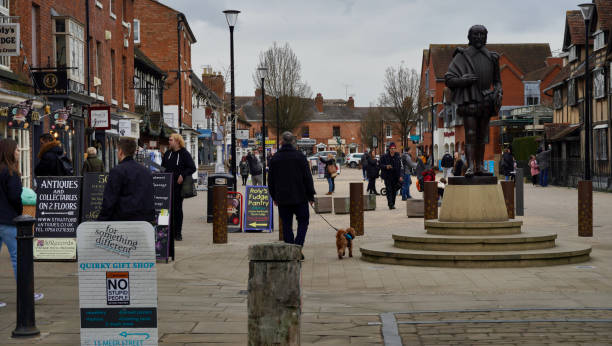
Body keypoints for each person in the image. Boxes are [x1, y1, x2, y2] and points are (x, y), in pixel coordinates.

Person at [445, 25, 502, 176]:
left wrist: (498, 91)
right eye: (475, 34)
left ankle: (480, 166)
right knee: (470, 134)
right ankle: (470, 166)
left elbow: (497, 81)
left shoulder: (492, 57)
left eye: (481, 34)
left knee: (482, 135)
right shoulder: (462, 56)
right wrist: (463, 80)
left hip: (486, 100)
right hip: (469, 99)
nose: (478, 37)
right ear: (469, 37)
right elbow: (449, 79)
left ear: (486, 37)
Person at [0, 139, 43, 307]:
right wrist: (19, 211)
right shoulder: (11, 173)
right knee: (19, 259)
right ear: (9, 152)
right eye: (17, 150)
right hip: (9, 221)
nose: (19, 152)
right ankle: (27, 294)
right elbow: (14, 197)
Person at [268, 131, 316, 254]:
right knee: (303, 222)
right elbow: (307, 177)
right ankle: (298, 247)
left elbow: (271, 180)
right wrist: (310, 195)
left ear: (281, 142)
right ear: (293, 142)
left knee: (286, 225)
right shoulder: (300, 156)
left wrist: (274, 196)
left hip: (283, 198)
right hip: (300, 196)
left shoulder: (275, 158)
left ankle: (290, 250)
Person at [98, 138, 155, 222]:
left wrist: (101, 220)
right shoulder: (146, 171)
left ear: (120, 152)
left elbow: (109, 200)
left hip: (124, 221)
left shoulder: (117, 171)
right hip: (144, 221)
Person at [161, 133, 196, 241]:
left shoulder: (184, 154)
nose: (169, 142)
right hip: (166, 185)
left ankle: (177, 233)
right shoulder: (167, 153)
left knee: (177, 209)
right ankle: (165, 231)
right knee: (164, 209)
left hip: (178, 187)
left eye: (171, 140)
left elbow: (192, 167)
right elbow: (163, 168)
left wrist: (183, 174)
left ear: (177, 141)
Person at [379, 143, 402, 209]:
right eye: (391, 148)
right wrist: (386, 166)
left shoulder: (397, 156)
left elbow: (399, 167)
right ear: (389, 149)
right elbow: (380, 165)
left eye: (394, 148)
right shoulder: (384, 156)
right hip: (387, 176)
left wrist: (400, 176)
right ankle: (390, 204)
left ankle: (393, 203)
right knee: (389, 190)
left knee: (394, 190)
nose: (393, 150)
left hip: (395, 176)